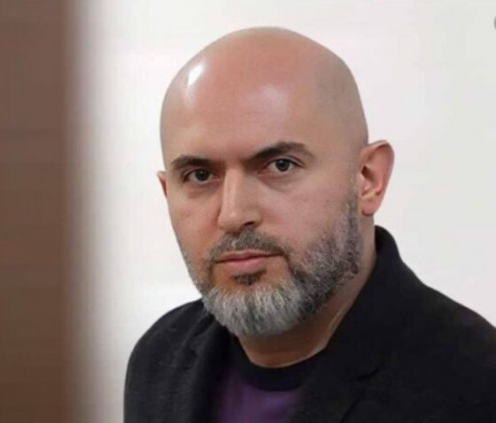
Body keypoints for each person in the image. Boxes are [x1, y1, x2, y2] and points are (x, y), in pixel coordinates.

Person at [124, 27, 496, 422]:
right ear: (168, 192)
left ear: (367, 179)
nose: (232, 214)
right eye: (199, 176)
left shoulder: (476, 384)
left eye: (280, 166)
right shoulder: (160, 357)